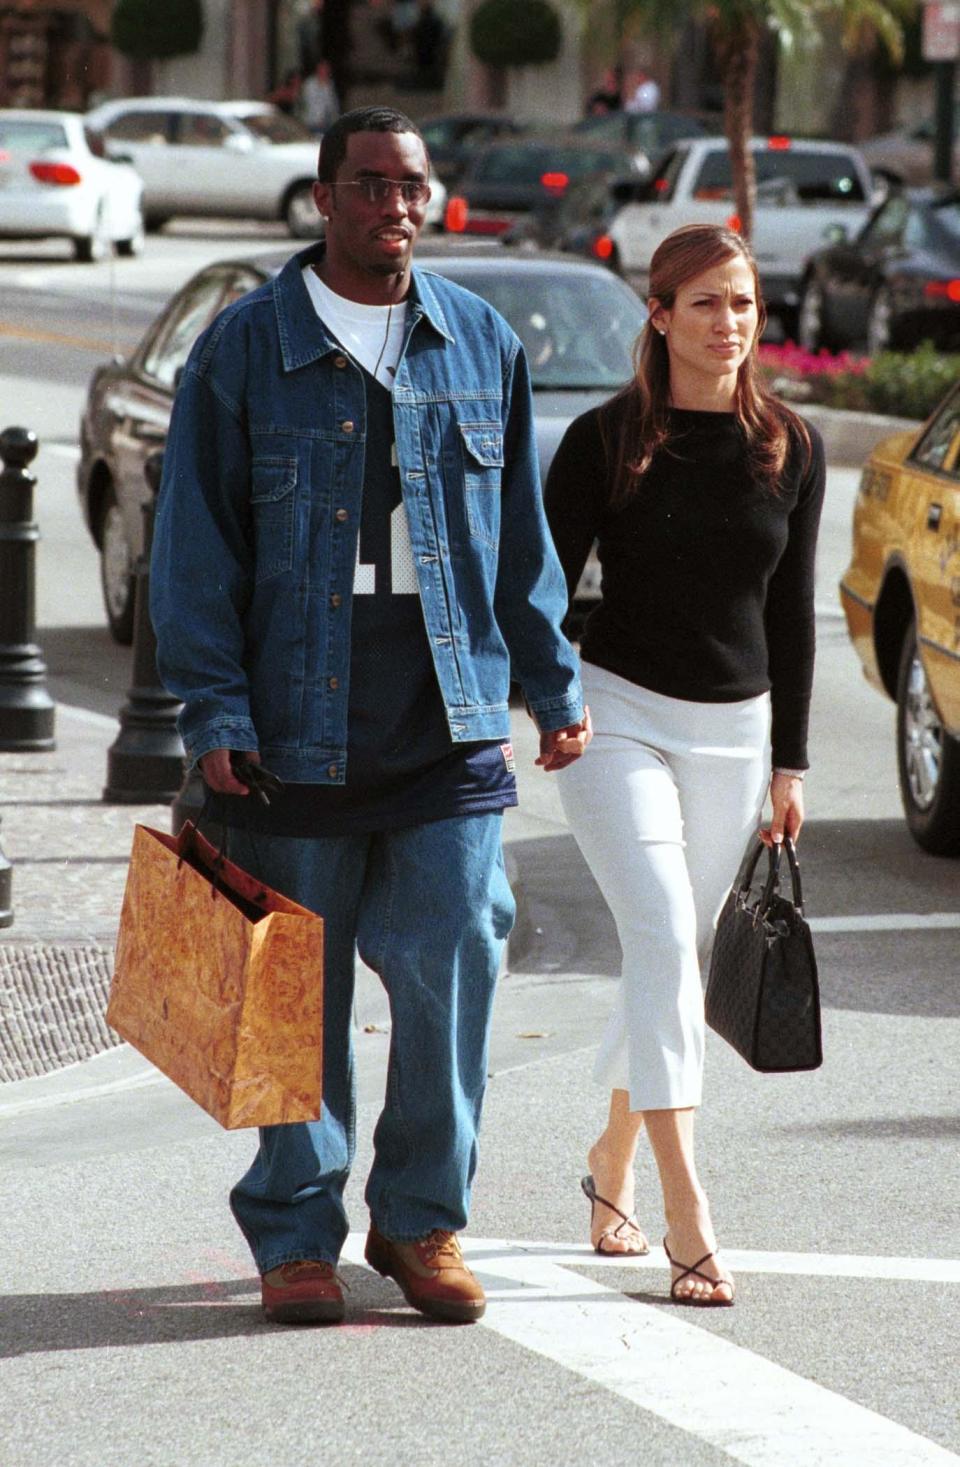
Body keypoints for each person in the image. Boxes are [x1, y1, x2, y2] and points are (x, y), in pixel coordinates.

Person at [150, 106, 590, 1328]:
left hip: (447, 725)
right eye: (371, 185)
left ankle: (420, 1224)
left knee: (456, 973)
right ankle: (297, 1236)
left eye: (413, 187)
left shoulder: (478, 341)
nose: (395, 206)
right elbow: (196, 545)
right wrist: (214, 709)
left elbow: (520, 539)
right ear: (324, 198)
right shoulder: (244, 350)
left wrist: (550, 685)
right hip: (294, 731)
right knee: (295, 998)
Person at [543, 223, 825, 1306]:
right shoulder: (605, 439)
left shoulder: (790, 444)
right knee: (662, 932)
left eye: (745, 305)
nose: (730, 325)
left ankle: (610, 1156)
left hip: (734, 734)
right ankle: (685, 1208)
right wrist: (555, 695)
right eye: (706, 303)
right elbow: (544, 589)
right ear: (658, 316)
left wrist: (789, 765)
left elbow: (791, 619)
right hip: (616, 716)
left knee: (675, 961)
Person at [300, 59, 340, 135]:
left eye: (327, 70)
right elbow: (312, 103)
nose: (325, 72)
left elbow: (332, 104)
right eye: (323, 69)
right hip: (311, 122)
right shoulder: (310, 84)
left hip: (325, 123)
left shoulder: (329, 85)